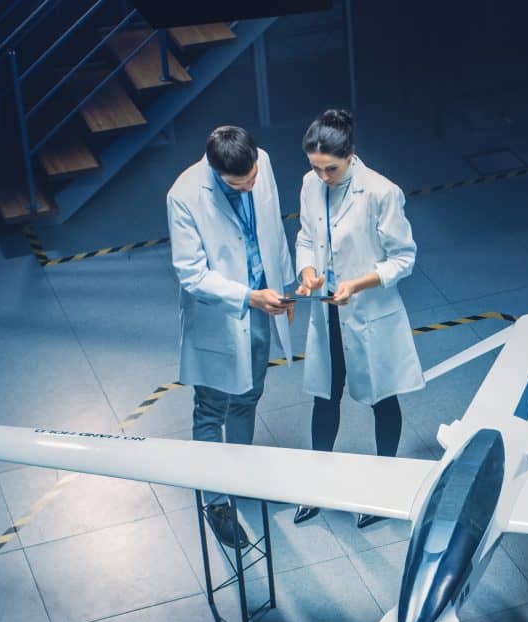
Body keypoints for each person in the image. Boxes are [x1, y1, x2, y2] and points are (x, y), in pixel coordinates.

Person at [291, 109, 424, 527]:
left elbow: (404, 258)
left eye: (330, 169)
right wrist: (308, 271)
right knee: (324, 396)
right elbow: (307, 237)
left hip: (368, 313)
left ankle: (383, 490)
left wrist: (358, 284)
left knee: (382, 397)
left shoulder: (382, 193)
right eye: (316, 168)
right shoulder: (310, 184)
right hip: (329, 311)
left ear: (350, 155)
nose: (323, 177)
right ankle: (315, 485)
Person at [166, 125, 295, 548]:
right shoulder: (184, 195)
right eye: (241, 184)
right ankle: (217, 501)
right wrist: (246, 296)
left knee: (248, 396)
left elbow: (272, 230)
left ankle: (239, 474)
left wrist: (287, 287)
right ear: (216, 172)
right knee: (210, 409)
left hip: (263, 304)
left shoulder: (264, 163)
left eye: (254, 176)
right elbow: (191, 274)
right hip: (222, 315)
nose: (252, 184)